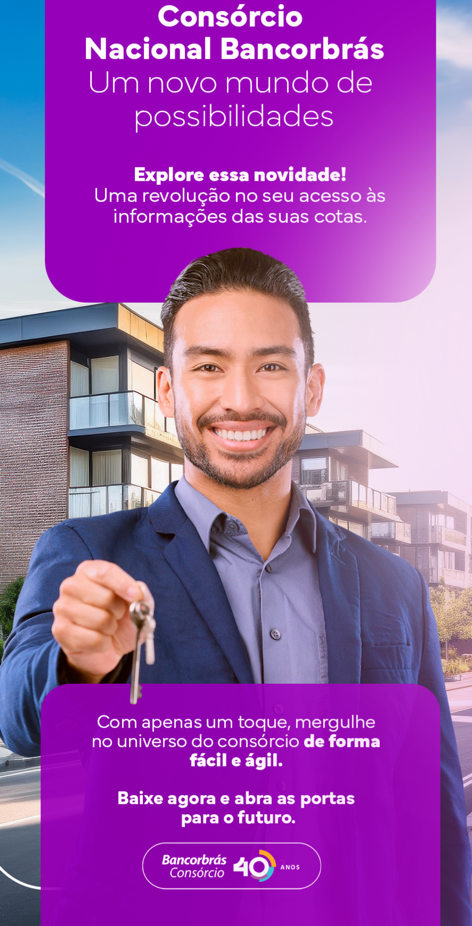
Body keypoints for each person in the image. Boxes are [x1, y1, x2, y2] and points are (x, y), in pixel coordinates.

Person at [0, 247, 470, 921]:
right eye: (209, 366)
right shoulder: (84, 551)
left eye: (271, 365)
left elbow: (434, 816)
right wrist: (77, 666)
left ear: (312, 388)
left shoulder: (394, 583)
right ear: (168, 389)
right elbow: (17, 714)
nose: (241, 398)